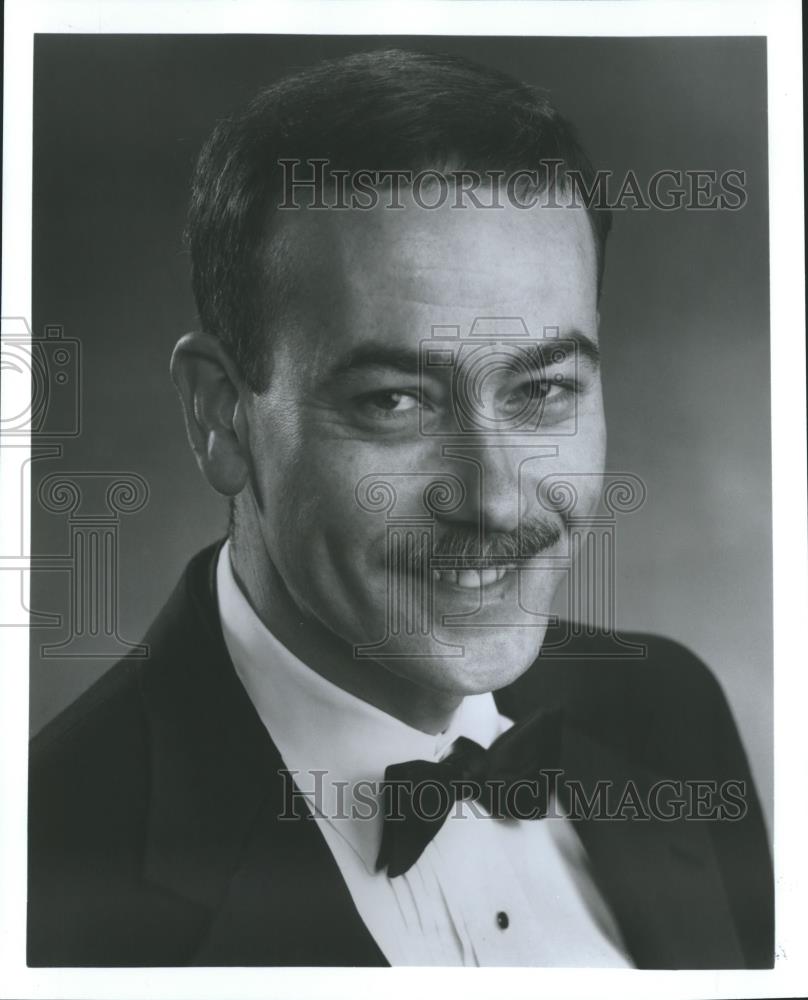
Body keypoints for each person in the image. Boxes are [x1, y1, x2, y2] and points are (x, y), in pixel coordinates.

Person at [27, 48, 773, 968]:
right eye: (395, 401)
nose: (495, 501)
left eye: (542, 391)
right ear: (221, 417)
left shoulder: (668, 711)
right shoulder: (40, 879)